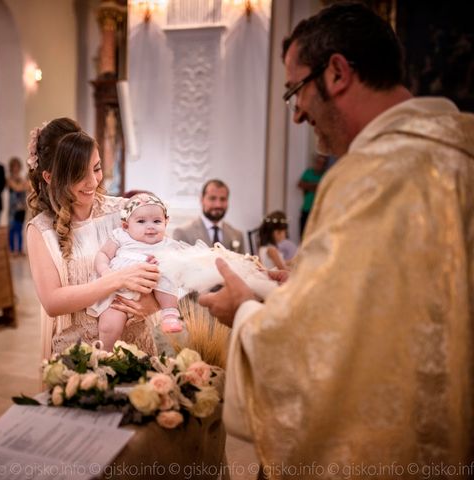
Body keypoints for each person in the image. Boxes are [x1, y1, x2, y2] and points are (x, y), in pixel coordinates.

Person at [200, 2, 474, 473]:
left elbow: (320, 355)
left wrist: (243, 310)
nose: (297, 115)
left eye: (295, 92)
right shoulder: (458, 154)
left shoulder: (372, 176)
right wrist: (306, 286)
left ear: (337, 73)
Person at [26, 118, 160, 360]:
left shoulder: (123, 211)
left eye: (96, 168)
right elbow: (53, 302)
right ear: (49, 176)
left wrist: (153, 303)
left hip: (136, 346)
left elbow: (161, 263)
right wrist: (118, 278)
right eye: (79, 174)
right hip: (81, 354)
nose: (92, 182)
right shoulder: (41, 230)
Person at [89, 193, 182, 350]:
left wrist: (165, 264)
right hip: (119, 291)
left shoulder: (167, 244)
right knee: (109, 325)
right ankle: (105, 352)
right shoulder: (121, 237)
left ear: (166, 223)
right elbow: (103, 254)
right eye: (141, 221)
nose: (150, 226)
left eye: (157, 221)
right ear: (126, 226)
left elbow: (180, 270)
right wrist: (105, 271)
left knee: (166, 279)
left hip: (151, 286)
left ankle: (170, 314)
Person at [173, 179, 244, 252]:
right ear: (202, 200)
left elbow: (243, 263)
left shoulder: (237, 235)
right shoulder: (183, 232)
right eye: (212, 198)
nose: (218, 205)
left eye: (223, 199)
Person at [297, 153, 326, 236]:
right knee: (303, 234)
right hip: (306, 209)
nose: (320, 165)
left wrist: (309, 186)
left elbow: (323, 188)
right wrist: (316, 186)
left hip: (318, 211)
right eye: (318, 162)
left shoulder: (325, 175)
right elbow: (300, 184)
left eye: (322, 163)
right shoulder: (308, 172)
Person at [7, 156, 28, 255]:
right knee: (12, 229)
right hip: (13, 208)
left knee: (20, 229)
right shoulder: (9, 179)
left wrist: (24, 185)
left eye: (17, 166)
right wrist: (23, 185)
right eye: (14, 166)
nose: (16, 168)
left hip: (22, 208)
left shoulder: (22, 178)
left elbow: (27, 187)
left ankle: (19, 249)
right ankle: (11, 250)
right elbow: (17, 188)